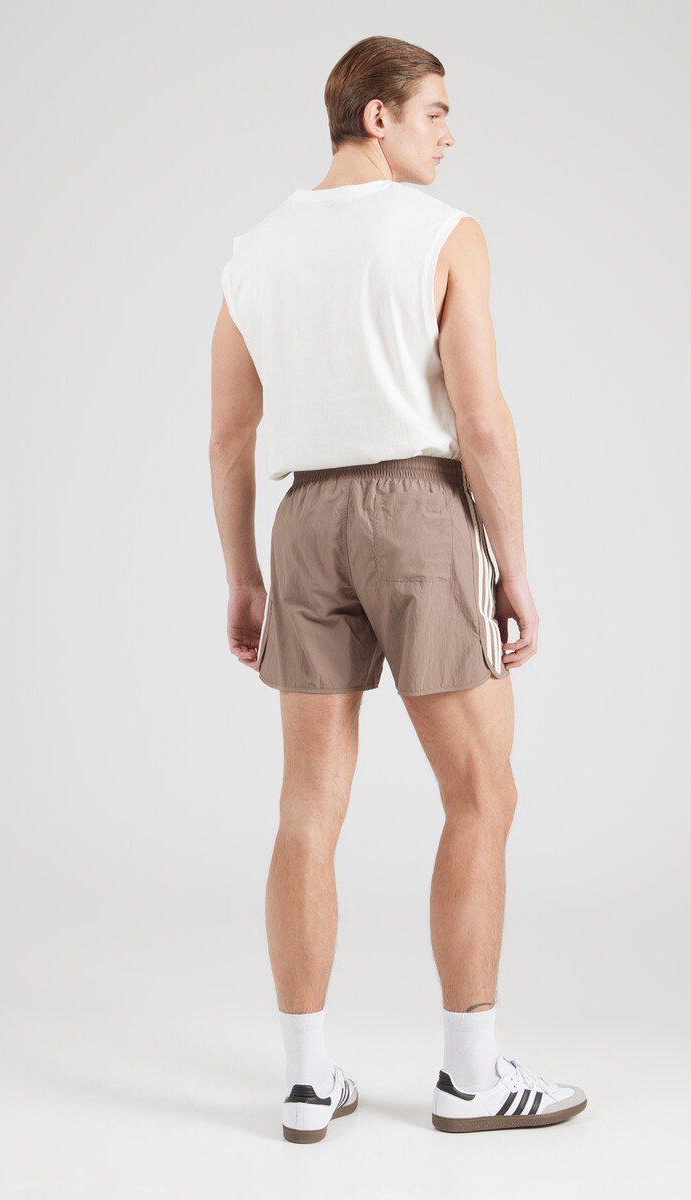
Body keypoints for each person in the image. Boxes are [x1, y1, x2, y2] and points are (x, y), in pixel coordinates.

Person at [209, 34, 587, 1143]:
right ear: (377, 116)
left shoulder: (253, 252)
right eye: (435, 112)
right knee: (482, 794)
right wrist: (514, 568)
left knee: (307, 809)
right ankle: (470, 1075)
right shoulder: (442, 234)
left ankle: (306, 1080)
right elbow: (482, 419)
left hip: (303, 523)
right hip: (417, 513)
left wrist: (243, 574)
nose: (449, 134)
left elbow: (230, 437)